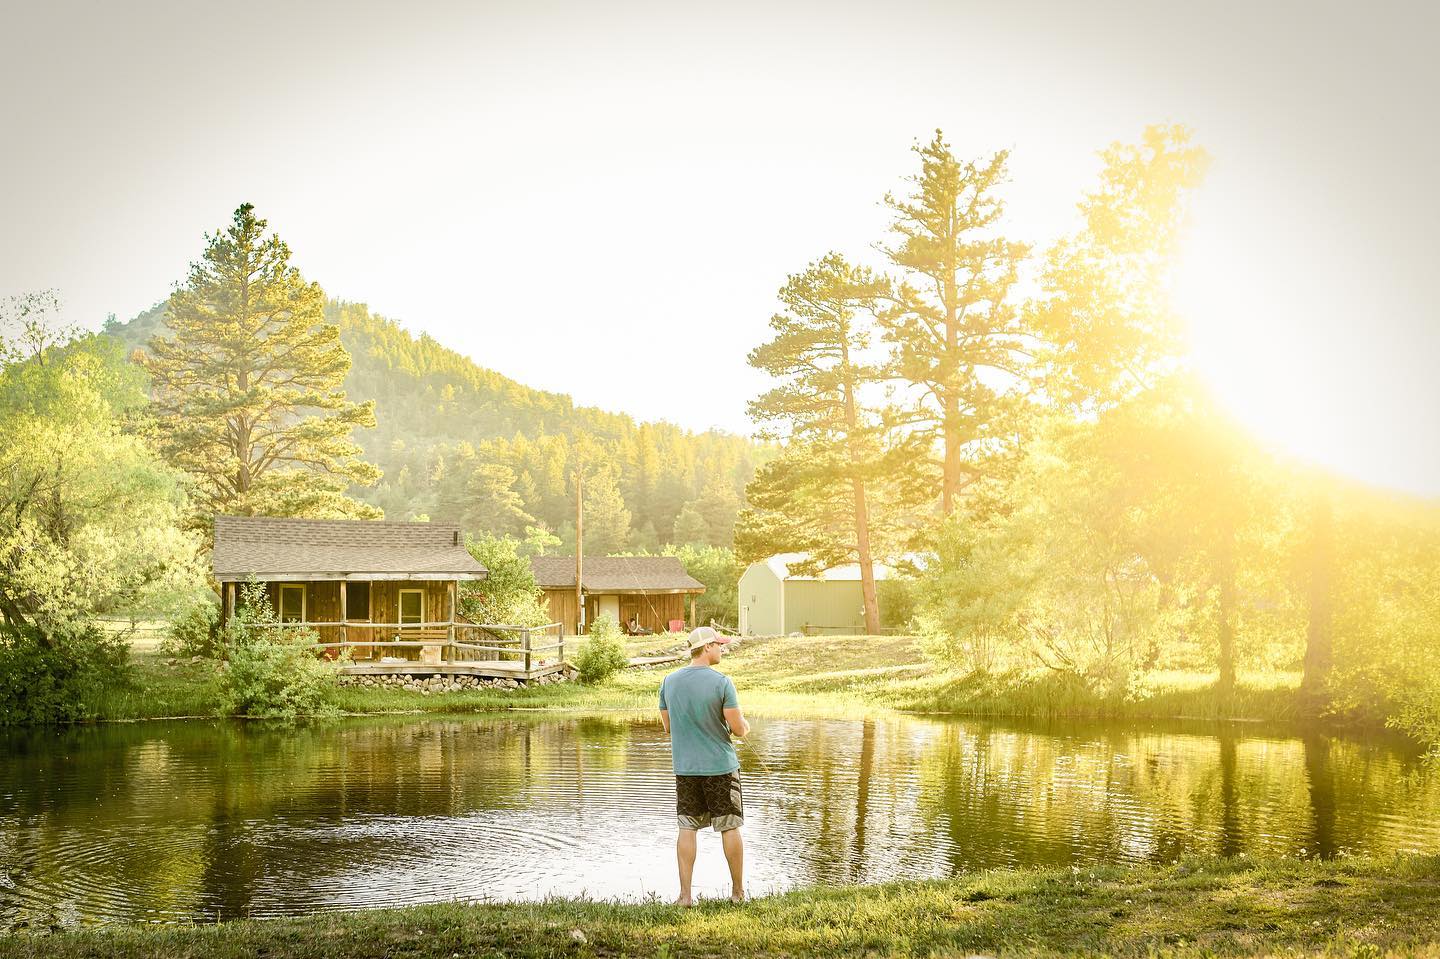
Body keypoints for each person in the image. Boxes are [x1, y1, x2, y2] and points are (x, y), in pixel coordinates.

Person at [657, 625, 749, 906]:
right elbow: (738, 729)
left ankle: (685, 896)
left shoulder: (668, 682)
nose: (722, 649)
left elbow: (668, 727)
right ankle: (737, 894)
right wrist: (745, 726)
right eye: (718, 645)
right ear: (707, 647)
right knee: (729, 827)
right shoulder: (722, 682)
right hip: (720, 768)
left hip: (686, 769)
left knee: (687, 828)